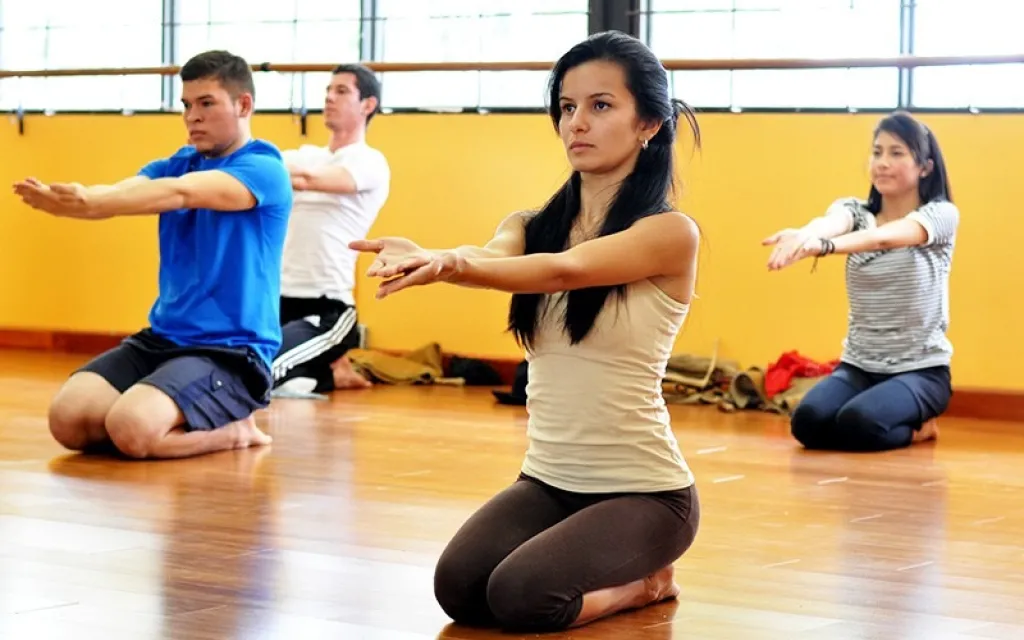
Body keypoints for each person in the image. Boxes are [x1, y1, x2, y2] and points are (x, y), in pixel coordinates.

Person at [350, 31, 701, 633]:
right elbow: (494, 255)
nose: (577, 124)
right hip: (549, 480)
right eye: (566, 107)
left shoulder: (669, 234)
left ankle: (645, 584)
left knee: (522, 597)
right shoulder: (530, 224)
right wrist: (437, 256)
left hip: (646, 495)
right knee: (459, 589)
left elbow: (566, 270)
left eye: (600, 105)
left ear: (648, 122)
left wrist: (452, 265)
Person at [12, 50, 293, 459]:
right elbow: (127, 189)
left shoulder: (263, 169)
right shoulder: (174, 164)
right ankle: (165, 411)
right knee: (68, 421)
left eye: (206, 103)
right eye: (186, 105)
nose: (191, 116)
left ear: (243, 105)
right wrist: (85, 199)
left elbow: (182, 194)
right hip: (163, 339)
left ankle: (236, 432)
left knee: (131, 429)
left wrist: (95, 201)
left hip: (231, 352)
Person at [762, 111, 958, 452]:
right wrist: (807, 235)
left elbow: (883, 239)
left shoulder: (939, 216)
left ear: (925, 167)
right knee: (807, 422)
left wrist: (823, 247)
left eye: (896, 153)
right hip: (859, 366)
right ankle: (872, 413)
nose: (882, 162)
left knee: (858, 424)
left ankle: (920, 430)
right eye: (877, 152)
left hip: (922, 372)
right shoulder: (855, 211)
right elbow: (830, 222)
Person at [272, 64, 389, 394]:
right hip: (277, 299)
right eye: (327, 90)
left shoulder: (369, 161)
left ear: (368, 105)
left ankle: (331, 372)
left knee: (261, 371)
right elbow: (261, 167)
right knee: (229, 359)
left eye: (341, 91)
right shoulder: (306, 154)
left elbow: (308, 180)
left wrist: (287, 176)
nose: (329, 98)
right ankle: (333, 370)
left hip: (328, 307)